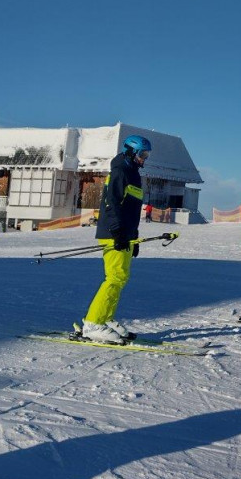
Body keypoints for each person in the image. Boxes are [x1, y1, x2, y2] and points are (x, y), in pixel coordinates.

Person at [80, 134, 151, 343]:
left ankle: (105, 318)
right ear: (131, 152)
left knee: (120, 278)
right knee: (114, 278)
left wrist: (133, 236)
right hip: (114, 233)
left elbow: (130, 210)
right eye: (142, 154)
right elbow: (111, 204)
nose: (144, 158)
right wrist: (117, 231)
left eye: (147, 155)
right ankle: (93, 323)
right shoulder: (120, 171)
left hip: (125, 234)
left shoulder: (133, 174)